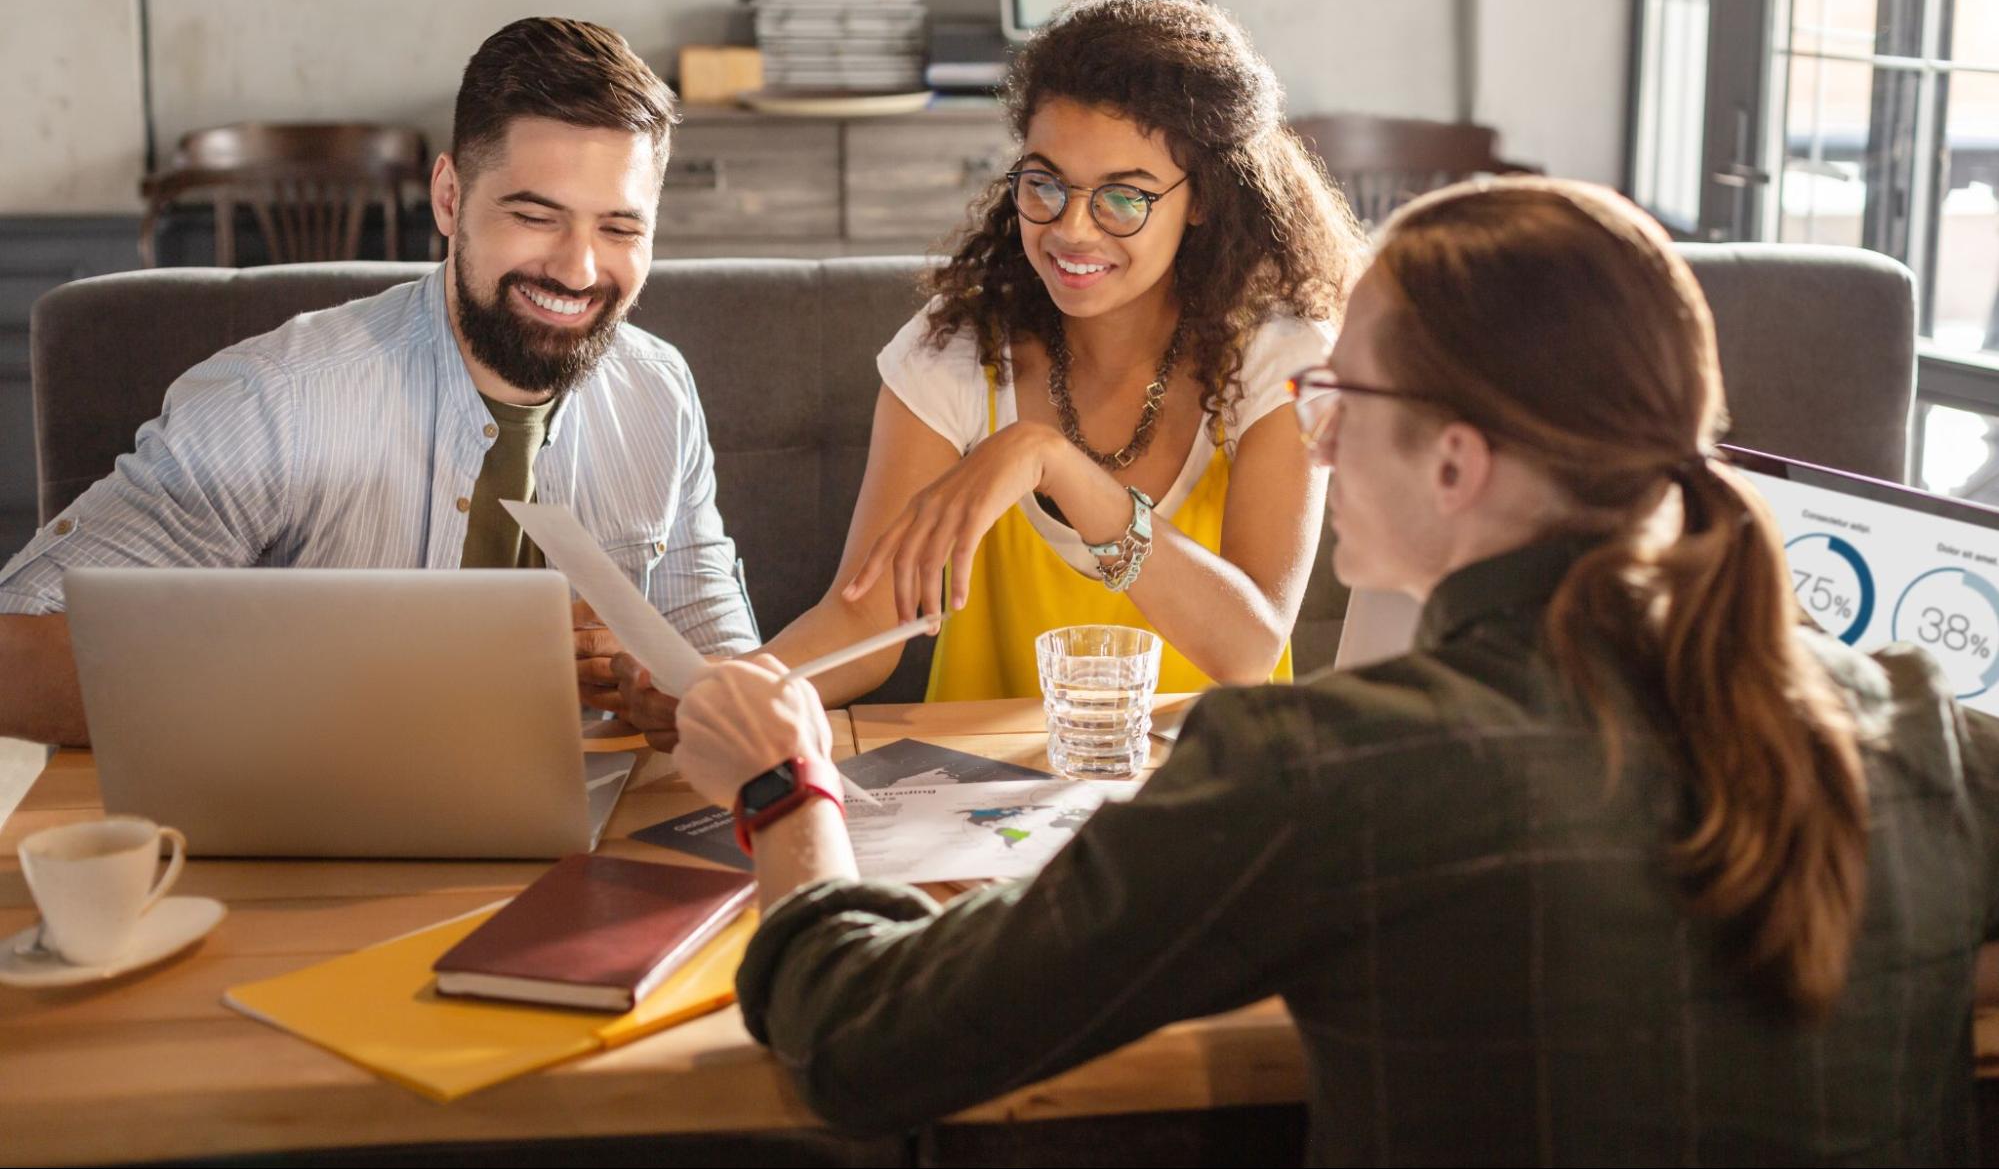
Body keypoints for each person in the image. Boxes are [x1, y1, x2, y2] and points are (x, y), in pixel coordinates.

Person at [669, 178, 1999, 1163]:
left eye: (1337, 403)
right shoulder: (1912, 722)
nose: (1308, 445)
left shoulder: (1330, 764)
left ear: (1454, 461)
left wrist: (785, 792)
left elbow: (865, 1045)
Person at [615, 0, 1363, 725]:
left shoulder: (1275, 355)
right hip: (977, 801)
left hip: (1205, 790)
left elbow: (1248, 647)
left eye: (1123, 198)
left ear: (1201, 198)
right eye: (1044, 183)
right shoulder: (957, 350)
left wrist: (1052, 461)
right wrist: (724, 687)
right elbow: (865, 625)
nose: (1072, 229)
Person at [0, 17, 757, 747]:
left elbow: (711, 637)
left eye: (619, 229)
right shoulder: (279, 399)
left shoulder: (658, 389)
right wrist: (452, 659)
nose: (578, 269)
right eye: (536, 216)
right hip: (311, 840)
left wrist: (696, 697)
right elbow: (17, 661)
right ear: (449, 198)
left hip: (592, 840)